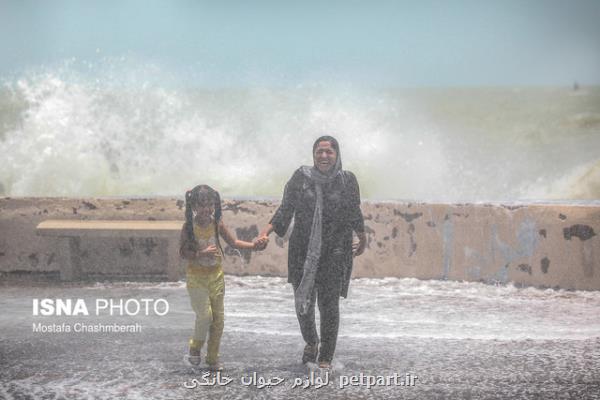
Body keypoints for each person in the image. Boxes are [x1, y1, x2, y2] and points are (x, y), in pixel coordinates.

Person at [256, 136, 366, 369]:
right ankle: (311, 341)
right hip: (302, 250)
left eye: (329, 152)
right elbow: (285, 209)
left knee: (329, 305)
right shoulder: (301, 177)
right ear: (313, 154)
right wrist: (265, 232)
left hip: (335, 250)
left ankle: (326, 355)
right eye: (319, 152)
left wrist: (363, 237)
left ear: (337, 155)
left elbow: (354, 211)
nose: (324, 156)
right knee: (303, 302)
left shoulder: (347, 181)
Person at [180, 184, 266, 370]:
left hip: (216, 278)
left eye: (210, 205)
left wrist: (254, 246)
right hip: (197, 279)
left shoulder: (217, 224)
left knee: (218, 321)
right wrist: (200, 253)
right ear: (194, 207)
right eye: (202, 205)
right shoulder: (189, 227)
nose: (207, 209)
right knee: (205, 316)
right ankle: (195, 348)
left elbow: (234, 242)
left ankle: (212, 359)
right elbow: (183, 252)